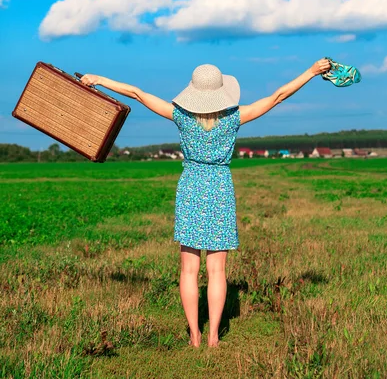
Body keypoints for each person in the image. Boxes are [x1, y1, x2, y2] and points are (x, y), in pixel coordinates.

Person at [80, 57, 331, 348]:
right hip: (220, 187)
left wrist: (99, 78)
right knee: (217, 271)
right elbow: (278, 96)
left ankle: (194, 336)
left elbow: (136, 93)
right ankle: (214, 337)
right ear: (222, 91)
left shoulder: (180, 116)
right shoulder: (235, 117)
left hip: (190, 186)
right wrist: (311, 72)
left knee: (189, 269)